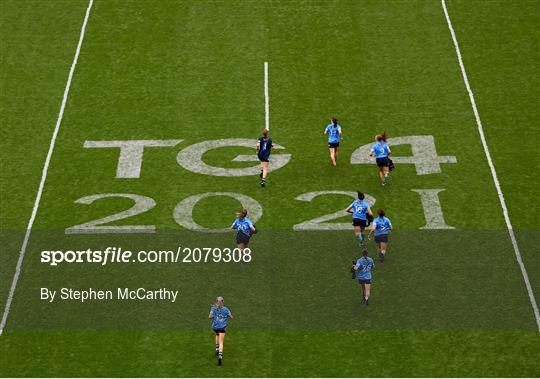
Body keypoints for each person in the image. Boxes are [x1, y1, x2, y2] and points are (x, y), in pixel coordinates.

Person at [208, 296, 233, 366]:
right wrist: (227, 316)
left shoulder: (213, 308)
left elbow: (209, 317)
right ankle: (220, 356)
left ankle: (216, 349)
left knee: (217, 335)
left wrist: (215, 314)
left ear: (217, 301)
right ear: (223, 302)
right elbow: (231, 316)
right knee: (221, 341)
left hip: (215, 327)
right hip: (222, 327)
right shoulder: (226, 309)